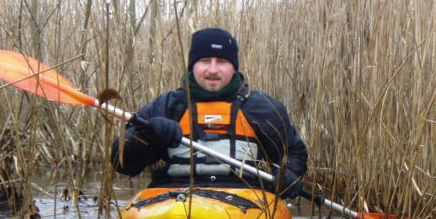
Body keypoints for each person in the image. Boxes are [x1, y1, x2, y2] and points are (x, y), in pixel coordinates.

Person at [111, 28, 308, 198]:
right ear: (193, 66)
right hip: (173, 197)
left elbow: (293, 152)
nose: (213, 69)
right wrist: (146, 136)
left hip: (242, 199)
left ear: (233, 67)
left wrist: (289, 172)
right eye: (205, 60)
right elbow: (123, 164)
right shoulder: (167, 106)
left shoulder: (262, 108)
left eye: (221, 61)